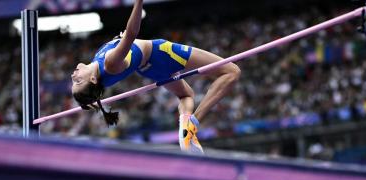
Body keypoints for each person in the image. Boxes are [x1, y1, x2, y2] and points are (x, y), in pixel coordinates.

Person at [71, 0, 241, 154]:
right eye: (78, 81)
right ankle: (192, 125)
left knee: (186, 95)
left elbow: (125, 46)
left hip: (148, 69)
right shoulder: (109, 63)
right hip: (161, 54)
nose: (73, 75)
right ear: (93, 80)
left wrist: (119, 42)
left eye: (74, 80)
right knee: (232, 72)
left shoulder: (100, 68)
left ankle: (186, 127)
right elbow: (131, 34)